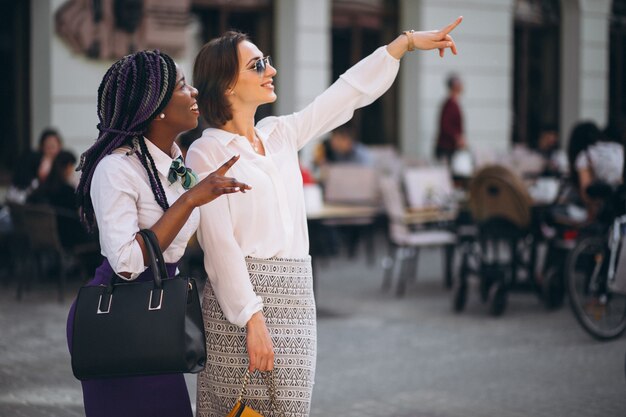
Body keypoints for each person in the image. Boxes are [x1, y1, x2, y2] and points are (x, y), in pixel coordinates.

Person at [187, 17, 463, 417]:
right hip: (241, 309)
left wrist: (402, 45)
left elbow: (342, 96)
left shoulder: (280, 133)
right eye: (258, 65)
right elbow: (219, 247)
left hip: (298, 299)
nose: (271, 70)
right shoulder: (206, 153)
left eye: (267, 60)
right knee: (237, 410)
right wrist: (252, 319)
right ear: (228, 84)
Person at [65, 50, 250, 417]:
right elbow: (127, 263)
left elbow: (180, 242)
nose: (194, 91)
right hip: (119, 318)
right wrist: (189, 201)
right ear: (156, 109)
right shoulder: (116, 169)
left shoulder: (173, 160)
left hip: (159, 313)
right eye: (183, 85)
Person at [566, 121, 624, 220]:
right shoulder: (618, 149)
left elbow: (586, 192)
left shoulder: (585, 155)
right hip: (620, 205)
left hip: (602, 211)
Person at [7, 128, 63, 203]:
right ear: (42, 147)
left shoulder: (63, 163)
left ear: (59, 147)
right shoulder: (32, 161)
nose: (50, 151)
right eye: (48, 147)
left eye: (53, 147)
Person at [434, 73, 465, 162]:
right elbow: (445, 124)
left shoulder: (453, 103)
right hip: (447, 147)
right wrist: (457, 137)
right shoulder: (450, 104)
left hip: (450, 147)